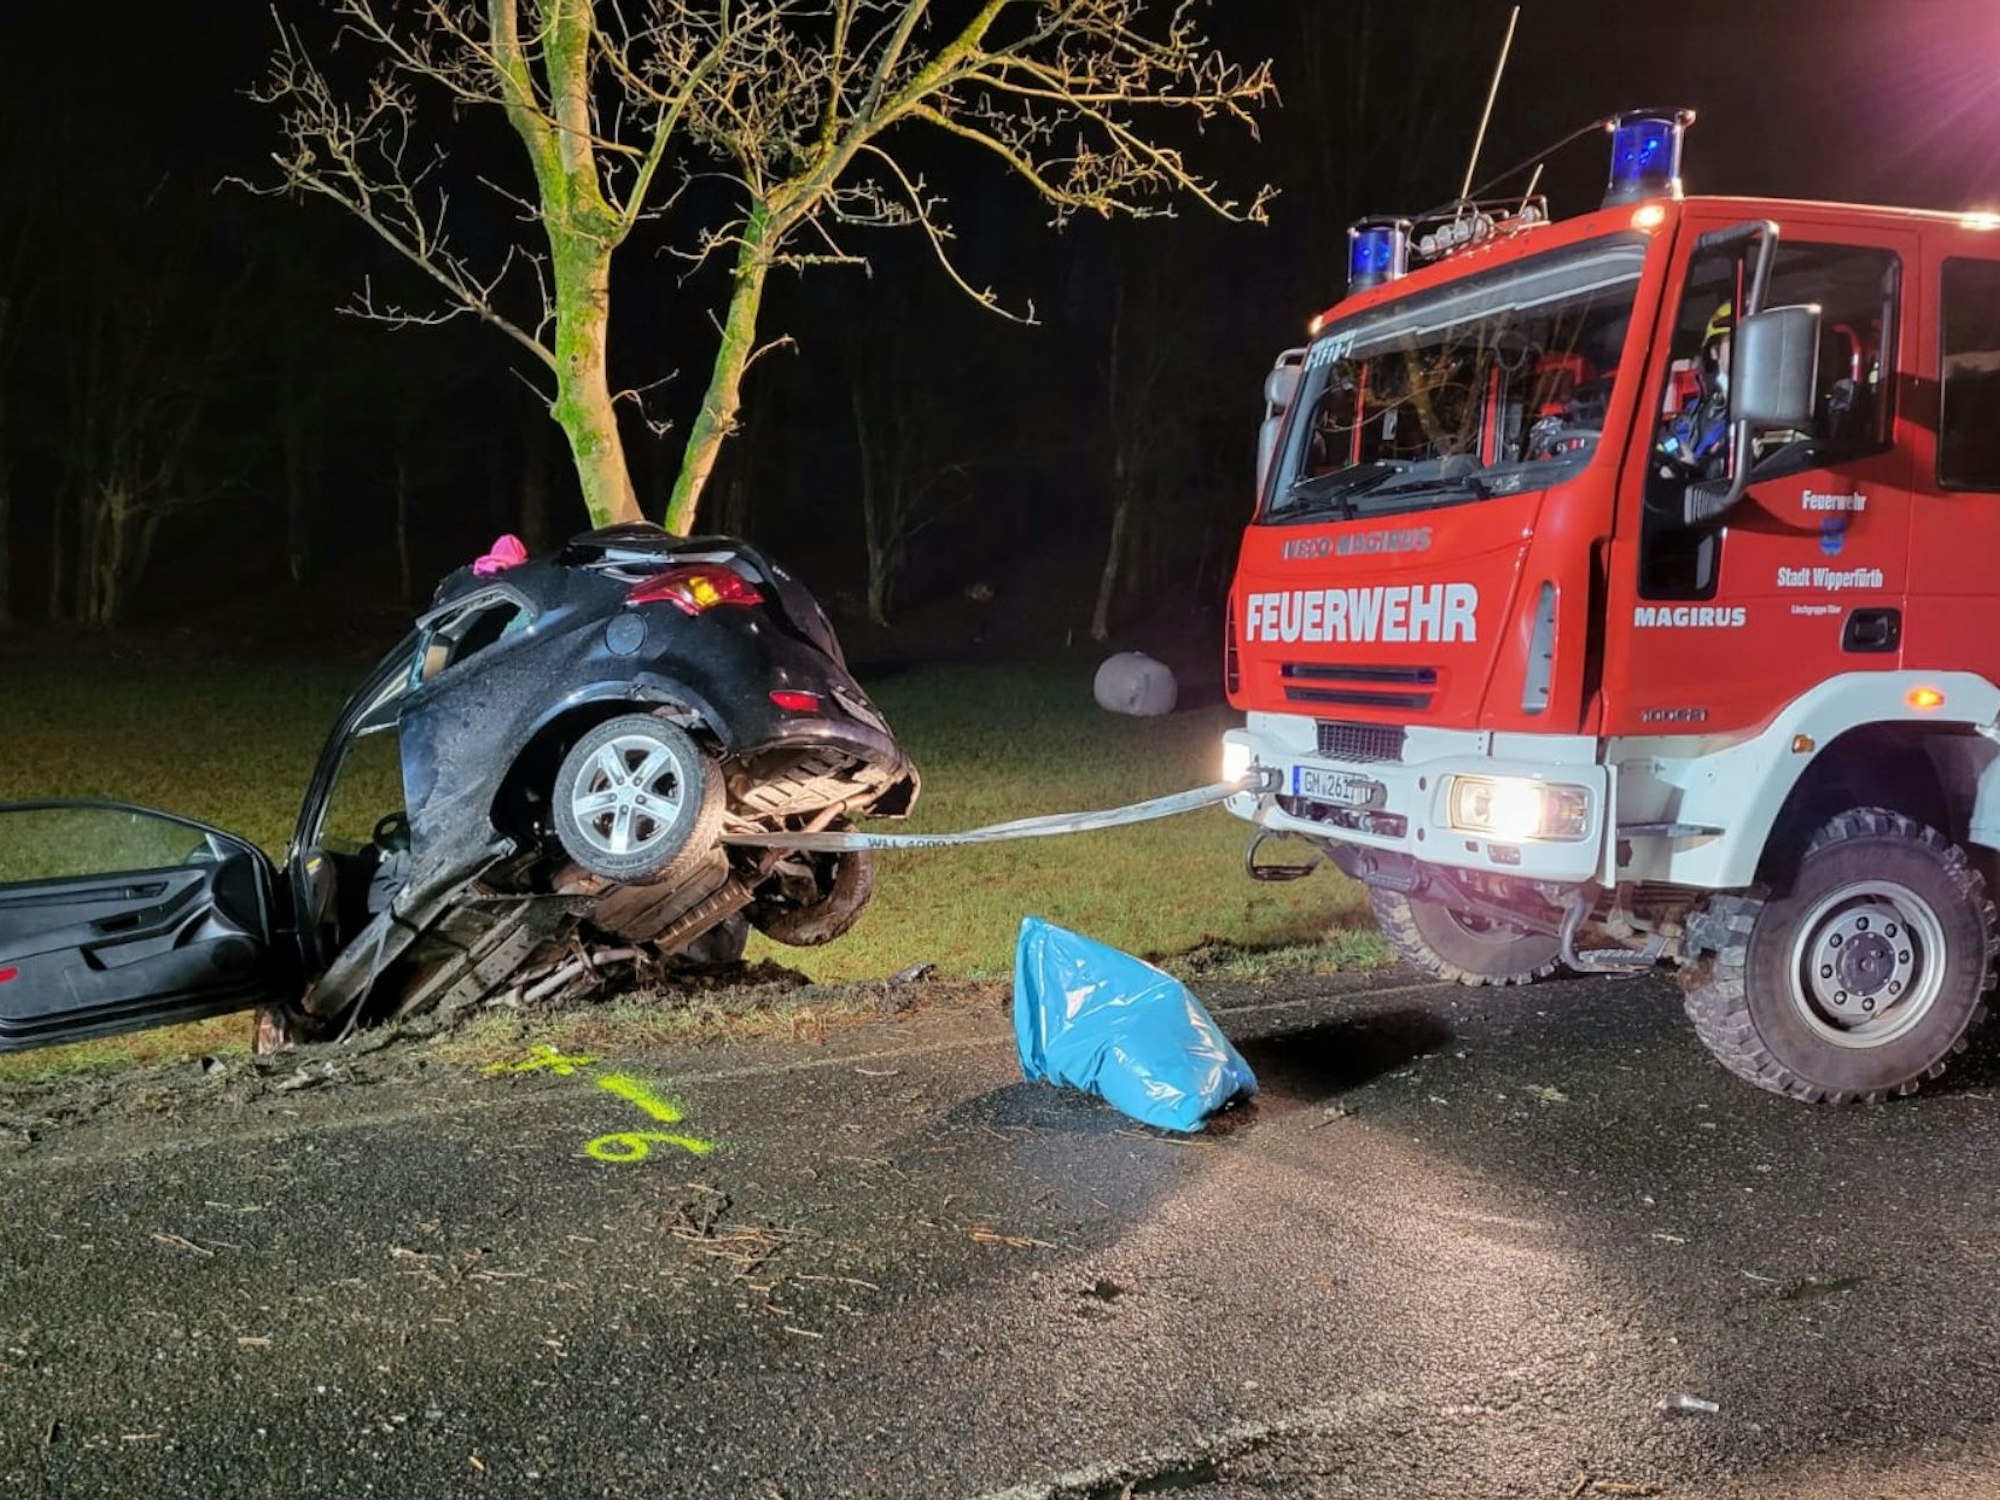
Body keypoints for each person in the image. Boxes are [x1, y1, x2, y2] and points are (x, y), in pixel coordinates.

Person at [1657, 300, 1733, 476]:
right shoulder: (1696, 411)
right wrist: (1673, 454)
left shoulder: (1778, 412)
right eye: (1737, 341)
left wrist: (1695, 470)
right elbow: (1672, 442)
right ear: (1714, 351)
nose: (1751, 350)